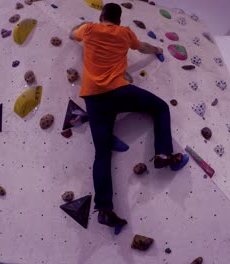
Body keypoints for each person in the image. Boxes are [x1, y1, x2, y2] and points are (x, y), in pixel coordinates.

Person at [69, 3, 189, 229]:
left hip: (93, 100)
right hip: (118, 92)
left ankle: (104, 209)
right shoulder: (124, 33)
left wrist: (80, 28)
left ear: (101, 16)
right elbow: (143, 48)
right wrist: (158, 50)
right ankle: (163, 155)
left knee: (102, 155)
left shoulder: (89, 29)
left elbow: (71, 34)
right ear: (119, 20)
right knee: (160, 107)